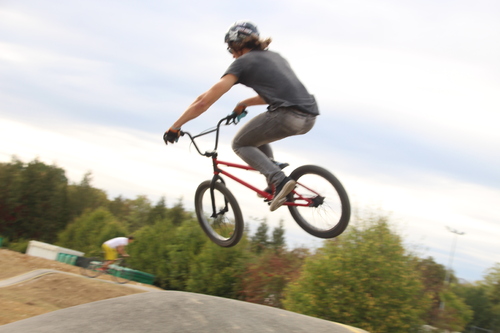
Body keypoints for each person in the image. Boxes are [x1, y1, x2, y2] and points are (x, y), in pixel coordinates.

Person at [164, 21, 319, 211]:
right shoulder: (275, 57)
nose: (231, 53)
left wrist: (175, 127)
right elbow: (276, 93)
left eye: (230, 48)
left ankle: (278, 180)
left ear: (236, 44)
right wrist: (243, 103)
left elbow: (204, 102)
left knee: (240, 143)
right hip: (309, 117)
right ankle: (275, 182)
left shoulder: (242, 63)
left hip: (286, 115)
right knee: (255, 136)